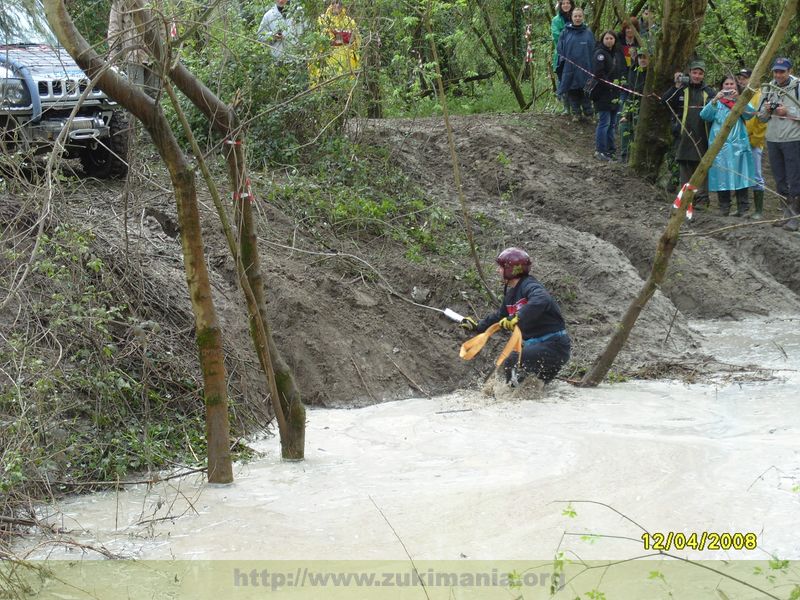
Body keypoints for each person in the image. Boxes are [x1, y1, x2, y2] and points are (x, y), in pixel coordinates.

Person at [459, 248, 571, 387]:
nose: (497, 271)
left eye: (500, 267)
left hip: (555, 346)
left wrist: (518, 317)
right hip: (538, 347)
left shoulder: (530, 285)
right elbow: (500, 316)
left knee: (512, 360)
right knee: (532, 389)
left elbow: (542, 299)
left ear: (512, 270)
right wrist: (477, 325)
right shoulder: (511, 295)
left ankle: (508, 397)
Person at [661, 59, 715, 210]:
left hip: (702, 134)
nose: (697, 76)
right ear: (689, 73)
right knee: (685, 165)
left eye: (700, 73)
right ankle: (686, 199)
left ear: (704, 75)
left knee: (701, 166)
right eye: (694, 73)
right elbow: (664, 102)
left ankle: (702, 199)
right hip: (683, 134)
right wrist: (676, 85)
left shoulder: (709, 92)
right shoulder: (681, 90)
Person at [699, 75, 756, 216]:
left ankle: (743, 208)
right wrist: (714, 99)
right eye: (726, 84)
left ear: (736, 87)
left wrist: (739, 99)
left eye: (732, 84)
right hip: (720, 145)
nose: (729, 86)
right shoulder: (717, 102)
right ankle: (724, 207)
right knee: (721, 175)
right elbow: (704, 115)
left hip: (738, 143)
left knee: (741, 174)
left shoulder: (740, 101)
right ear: (721, 87)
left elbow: (750, 114)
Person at [757, 57, 800, 231]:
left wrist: (788, 111)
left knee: (794, 179)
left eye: (782, 71)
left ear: (790, 71)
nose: (778, 74)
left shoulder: (797, 87)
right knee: (780, 179)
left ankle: (795, 218)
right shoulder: (768, 88)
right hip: (773, 139)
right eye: (776, 71)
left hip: (793, 139)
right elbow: (760, 116)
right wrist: (767, 110)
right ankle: (785, 214)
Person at [107, 0, 158, 97]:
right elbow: (114, 29)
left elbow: (163, 27)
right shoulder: (120, 2)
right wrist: (113, 55)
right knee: (136, 94)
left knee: (153, 96)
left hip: (154, 55)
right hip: (134, 55)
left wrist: (164, 52)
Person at [737, 68, 767, 219]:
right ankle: (742, 207)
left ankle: (759, 210)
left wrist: (755, 140)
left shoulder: (760, 95)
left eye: (744, 78)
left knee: (756, 174)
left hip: (754, 141)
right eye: (740, 78)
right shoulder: (742, 95)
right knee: (740, 173)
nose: (741, 80)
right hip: (740, 141)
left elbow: (762, 122)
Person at [556, 7, 594, 122]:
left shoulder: (588, 33)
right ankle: (576, 113)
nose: (577, 18)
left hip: (586, 68)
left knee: (586, 91)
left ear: (583, 17)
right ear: (572, 17)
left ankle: (589, 114)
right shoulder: (565, 32)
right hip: (570, 68)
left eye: (580, 16)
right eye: (575, 16)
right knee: (572, 91)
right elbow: (560, 49)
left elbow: (593, 50)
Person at [308, 0, 360, 85]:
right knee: (330, 86)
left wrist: (339, 37)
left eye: (340, 2)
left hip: (347, 63)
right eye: (335, 2)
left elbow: (356, 40)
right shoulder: (323, 19)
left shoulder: (350, 21)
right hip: (329, 61)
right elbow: (323, 40)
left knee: (346, 87)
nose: (337, 5)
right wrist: (342, 38)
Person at [592, 30, 625, 161]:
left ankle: (610, 150)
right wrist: (610, 85)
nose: (609, 40)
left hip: (615, 94)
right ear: (602, 39)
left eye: (611, 38)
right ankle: (600, 150)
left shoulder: (616, 55)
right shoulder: (600, 54)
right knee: (604, 123)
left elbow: (621, 71)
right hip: (603, 94)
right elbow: (598, 74)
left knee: (612, 124)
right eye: (606, 38)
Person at [619, 51, 648, 163]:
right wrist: (627, 114)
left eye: (645, 57)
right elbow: (632, 93)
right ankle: (625, 156)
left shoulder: (653, 74)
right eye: (640, 57)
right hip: (633, 105)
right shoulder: (633, 71)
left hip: (647, 109)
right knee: (624, 125)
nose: (643, 60)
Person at [551, 0, 574, 114]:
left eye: (568, 3)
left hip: (576, 55)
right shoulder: (556, 20)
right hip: (562, 54)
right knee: (563, 79)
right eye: (563, 3)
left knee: (576, 80)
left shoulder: (576, 16)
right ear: (560, 5)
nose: (566, 5)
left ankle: (577, 108)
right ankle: (566, 107)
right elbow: (557, 36)